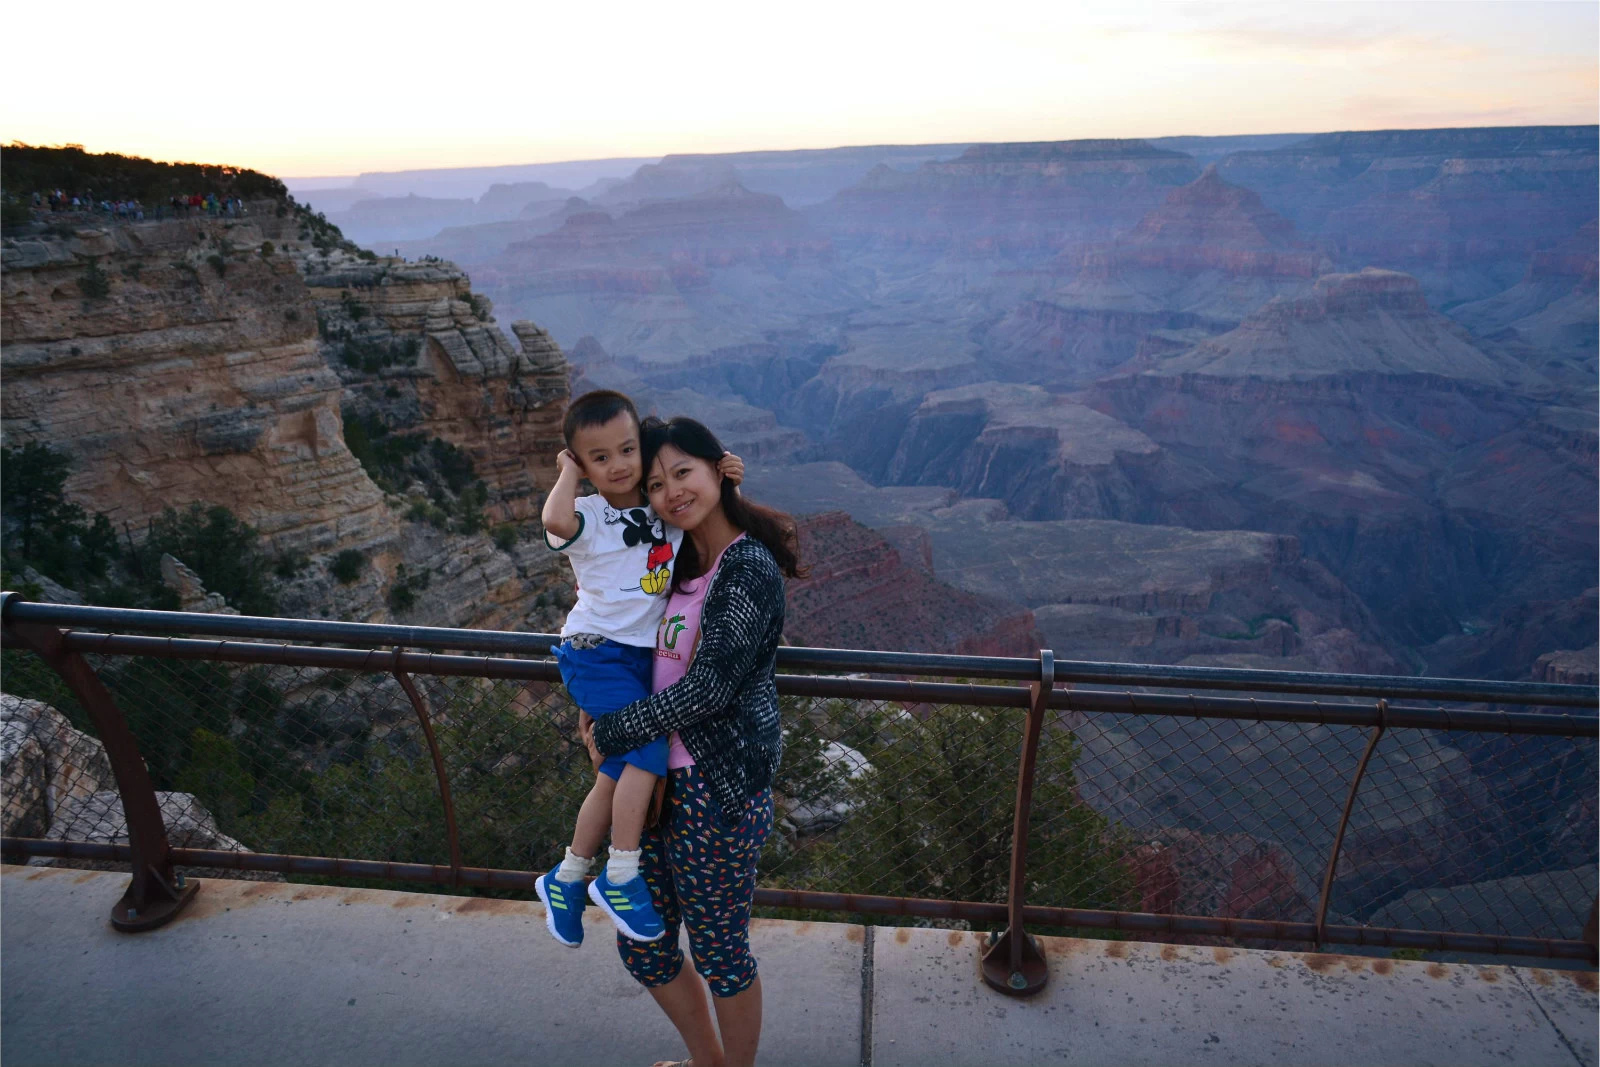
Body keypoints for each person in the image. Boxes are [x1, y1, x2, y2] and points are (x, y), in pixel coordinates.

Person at [582, 415, 803, 1067]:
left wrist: (614, 729)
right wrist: (597, 701)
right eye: (656, 482)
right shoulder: (673, 560)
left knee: (719, 953)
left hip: (715, 791)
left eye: (685, 471)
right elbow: (596, 541)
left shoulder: (748, 568)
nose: (672, 491)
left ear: (715, 471)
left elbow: (709, 688)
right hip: (651, 785)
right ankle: (708, 1060)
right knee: (643, 945)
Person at [535, 391, 744, 949]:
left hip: (637, 657)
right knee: (648, 754)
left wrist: (728, 476)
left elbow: (695, 508)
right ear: (583, 463)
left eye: (628, 450)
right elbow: (553, 519)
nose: (619, 464)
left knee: (618, 768)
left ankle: (569, 875)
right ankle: (621, 875)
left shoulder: (656, 509)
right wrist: (568, 474)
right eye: (599, 457)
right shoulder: (589, 514)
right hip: (595, 650)